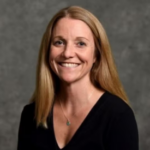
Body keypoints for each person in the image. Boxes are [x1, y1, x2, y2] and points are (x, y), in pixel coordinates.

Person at [17, 6, 139, 150]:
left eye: (81, 43)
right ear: (48, 51)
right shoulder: (31, 114)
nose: (68, 53)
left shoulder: (118, 116)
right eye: (59, 42)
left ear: (96, 55)